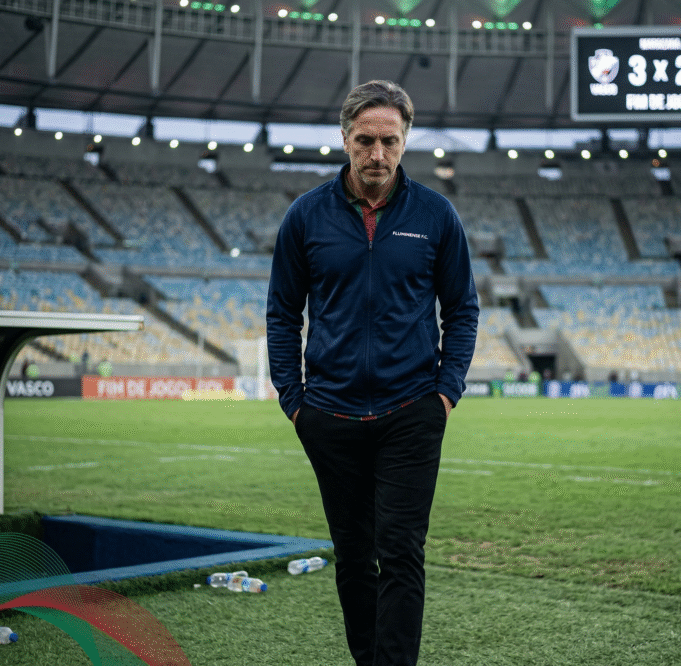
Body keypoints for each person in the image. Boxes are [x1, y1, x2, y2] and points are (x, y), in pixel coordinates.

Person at [266, 80, 479, 666]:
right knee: (354, 555)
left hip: (411, 412)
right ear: (345, 139)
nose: (377, 154)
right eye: (365, 140)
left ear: (406, 141)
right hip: (328, 415)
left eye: (390, 140)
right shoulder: (306, 216)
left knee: (403, 552)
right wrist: (294, 400)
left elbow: (462, 309)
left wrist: (445, 394)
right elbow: (282, 312)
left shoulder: (437, 216)